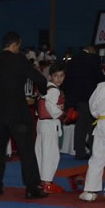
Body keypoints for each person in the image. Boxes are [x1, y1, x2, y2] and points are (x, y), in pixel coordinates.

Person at [0, 31, 48, 199]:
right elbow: (39, 79)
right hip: (18, 114)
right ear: (15, 45)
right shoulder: (19, 59)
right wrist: (43, 92)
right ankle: (32, 188)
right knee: (26, 151)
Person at [62, 45, 105, 160]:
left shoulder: (73, 60)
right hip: (91, 98)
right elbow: (100, 78)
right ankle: (93, 151)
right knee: (92, 126)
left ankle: (79, 151)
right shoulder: (93, 59)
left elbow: (68, 80)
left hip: (77, 99)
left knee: (80, 125)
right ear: (92, 51)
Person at [35, 63, 66, 194]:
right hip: (49, 124)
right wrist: (63, 113)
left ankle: (42, 181)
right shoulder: (54, 91)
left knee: (41, 152)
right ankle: (47, 183)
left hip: (42, 124)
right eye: (56, 76)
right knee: (50, 154)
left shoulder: (45, 88)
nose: (59, 79)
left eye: (61, 76)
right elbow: (52, 109)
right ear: (50, 76)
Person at [78, 81, 105, 202]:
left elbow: (92, 105)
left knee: (97, 157)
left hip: (102, 123)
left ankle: (90, 191)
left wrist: (97, 114)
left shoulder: (101, 86)